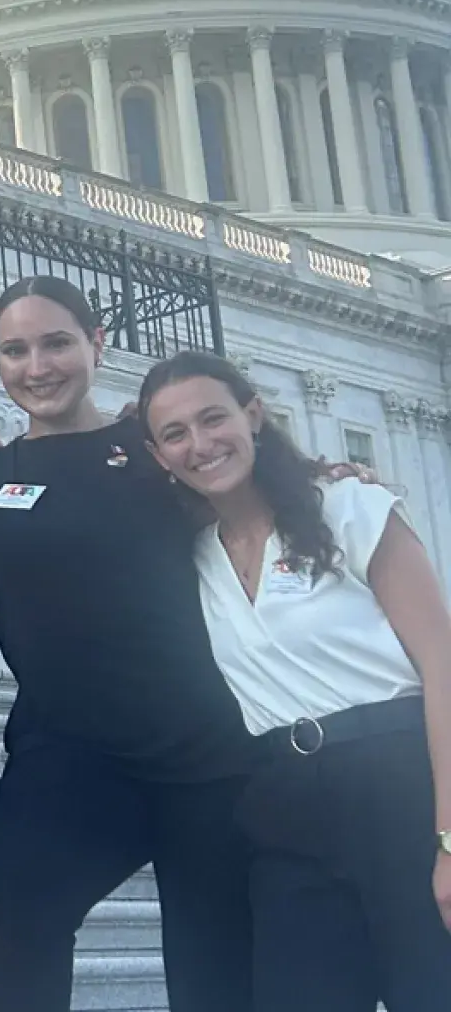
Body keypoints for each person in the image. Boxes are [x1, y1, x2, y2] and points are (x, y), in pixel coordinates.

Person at [0, 277, 256, 1012]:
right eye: (15, 349)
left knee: (215, 971)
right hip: (64, 757)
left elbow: (261, 503)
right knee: (12, 955)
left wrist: (335, 478)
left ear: (96, 343)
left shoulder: (156, 449)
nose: (38, 366)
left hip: (201, 752)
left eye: (57, 342)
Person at [140, 350, 451, 1012]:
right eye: (174, 433)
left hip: (399, 785)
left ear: (254, 415)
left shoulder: (349, 506)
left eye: (213, 418)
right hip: (285, 804)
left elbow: (442, 663)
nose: (200, 444)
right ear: (158, 454)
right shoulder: (191, 559)